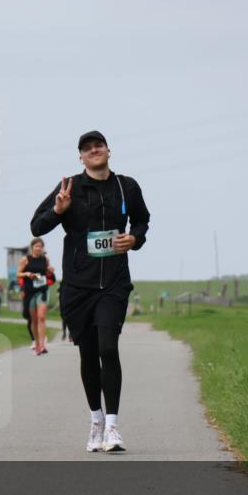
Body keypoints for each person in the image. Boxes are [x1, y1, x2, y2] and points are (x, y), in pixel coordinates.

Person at [30, 130, 150, 452]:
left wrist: (134, 239)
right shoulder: (69, 187)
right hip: (78, 286)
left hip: (113, 282)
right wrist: (58, 211)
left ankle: (113, 427)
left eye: (98, 146)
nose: (93, 151)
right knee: (88, 352)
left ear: (109, 150)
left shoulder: (127, 186)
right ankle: (95, 420)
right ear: (80, 157)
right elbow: (36, 227)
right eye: (86, 149)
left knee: (108, 348)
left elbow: (142, 221)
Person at [17, 238, 52, 355]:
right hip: (30, 291)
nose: (38, 248)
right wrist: (27, 274)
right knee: (34, 319)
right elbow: (18, 273)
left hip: (42, 290)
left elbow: (47, 272)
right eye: (36, 246)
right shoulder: (25, 259)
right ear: (32, 247)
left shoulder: (45, 259)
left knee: (41, 317)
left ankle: (42, 345)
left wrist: (50, 271)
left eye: (40, 246)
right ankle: (36, 343)